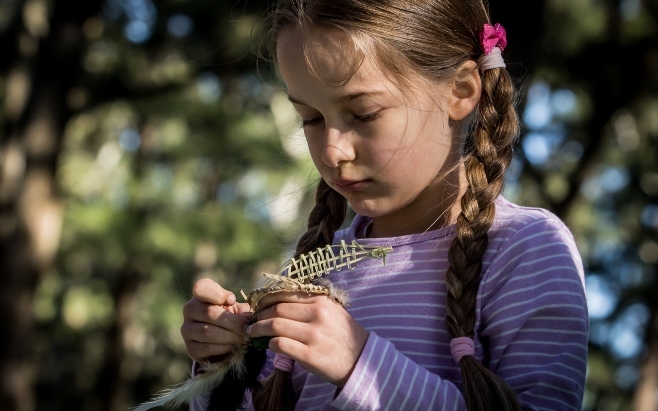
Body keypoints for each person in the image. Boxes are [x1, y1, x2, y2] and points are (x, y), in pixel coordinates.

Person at [180, 0, 588, 409]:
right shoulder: (313, 267)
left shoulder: (526, 248)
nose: (333, 151)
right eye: (311, 118)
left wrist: (361, 365)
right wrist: (223, 364)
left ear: (460, 92)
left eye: (364, 113)